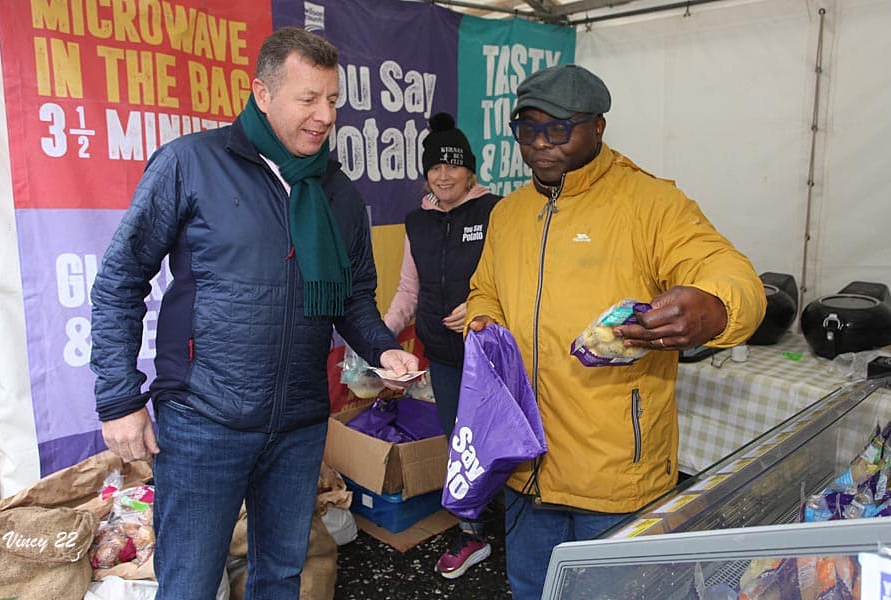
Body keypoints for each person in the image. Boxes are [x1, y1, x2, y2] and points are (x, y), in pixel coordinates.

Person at [89, 26, 418, 599]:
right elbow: (121, 279)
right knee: (188, 584)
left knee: (281, 577)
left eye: (333, 100)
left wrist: (382, 345)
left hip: (298, 422)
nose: (324, 115)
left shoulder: (336, 192)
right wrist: (120, 398)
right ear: (262, 94)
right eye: (308, 98)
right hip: (201, 420)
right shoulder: (191, 163)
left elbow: (352, 297)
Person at [466, 64, 766, 599]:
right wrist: (481, 322)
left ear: (598, 128)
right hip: (524, 459)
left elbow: (732, 273)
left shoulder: (650, 204)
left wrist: (715, 307)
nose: (539, 144)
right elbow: (484, 288)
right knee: (531, 588)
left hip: (615, 474)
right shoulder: (508, 214)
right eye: (526, 128)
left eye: (557, 129)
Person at [384, 112, 501, 579]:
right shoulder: (418, 221)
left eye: (454, 166)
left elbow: (519, 283)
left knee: (507, 439)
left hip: (496, 353)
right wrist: (375, 337)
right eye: (435, 167)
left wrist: (481, 306)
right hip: (448, 361)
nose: (444, 175)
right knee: (463, 444)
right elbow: (408, 292)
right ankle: (472, 531)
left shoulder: (497, 211)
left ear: (470, 170)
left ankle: (521, 520)